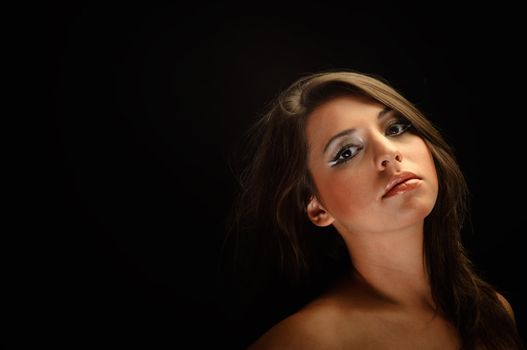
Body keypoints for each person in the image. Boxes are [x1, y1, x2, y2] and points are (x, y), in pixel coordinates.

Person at [219, 70, 524, 349]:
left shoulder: (491, 312)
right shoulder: (304, 342)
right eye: (347, 152)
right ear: (317, 207)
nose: (389, 153)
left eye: (395, 128)